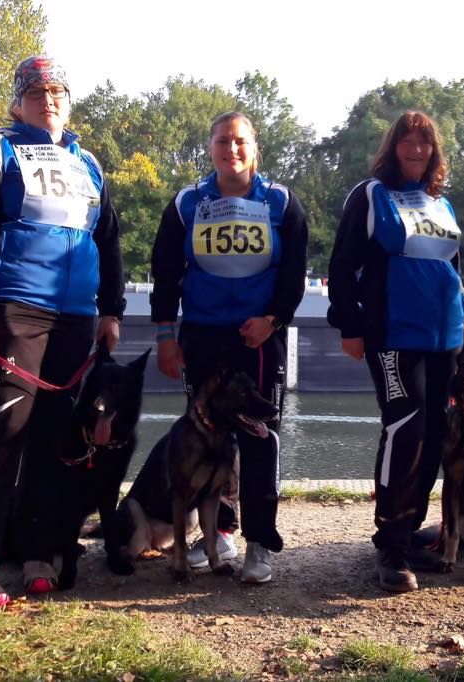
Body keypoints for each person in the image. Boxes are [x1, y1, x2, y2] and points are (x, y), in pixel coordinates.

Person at [0, 56, 125, 608]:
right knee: (5, 427)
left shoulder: (87, 161)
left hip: (75, 316)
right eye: (37, 90)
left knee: (56, 437)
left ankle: (41, 548)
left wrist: (110, 310)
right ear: (18, 100)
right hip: (13, 308)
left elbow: (108, 238)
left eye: (59, 91)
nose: (49, 99)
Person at [150, 111, 308, 584]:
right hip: (202, 335)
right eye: (222, 141)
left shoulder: (281, 202)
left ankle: (261, 541)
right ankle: (218, 533)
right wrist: (164, 336)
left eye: (240, 141)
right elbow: (165, 273)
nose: (231, 150)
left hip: (258, 336)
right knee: (205, 439)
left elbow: (294, 272)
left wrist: (273, 320)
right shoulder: (187, 203)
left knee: (260, 437)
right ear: (211, 148)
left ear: (254, 147)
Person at [327, 111, 464, 593]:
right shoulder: (370, 195)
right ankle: (389, 543)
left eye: (424, 143)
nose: (416, 149)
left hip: (447, 338)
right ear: (392, 147)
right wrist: (350, 326)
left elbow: (454, 267)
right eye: (407, 142)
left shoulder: (441, 203)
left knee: (435, 435)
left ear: (434, 151)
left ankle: (410, 533)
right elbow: (343, 264)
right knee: (404, 429)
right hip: (393, 337)